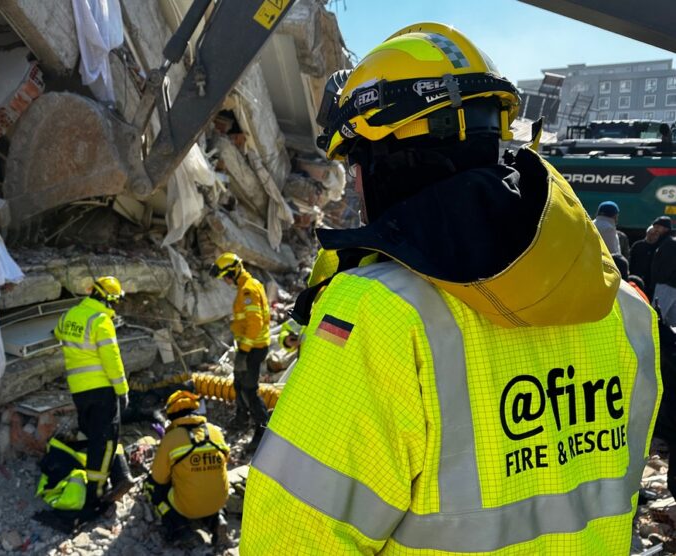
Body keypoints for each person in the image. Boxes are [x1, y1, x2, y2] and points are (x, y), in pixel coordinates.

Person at [243, 22, 660, 554]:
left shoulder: (377, 312)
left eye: (355, 164)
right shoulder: (627, 311)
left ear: (383, 161)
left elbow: (293, 537)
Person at [53, 276, 132, 521]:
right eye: (114, 303)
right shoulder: (101, 321)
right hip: (102, 391)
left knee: (95, 436)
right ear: (108, 299)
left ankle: (117, 476)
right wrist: (123, 390)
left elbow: (58, 334)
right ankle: (96, 495)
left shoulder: (69, 316)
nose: (114, 308)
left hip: (79, 391)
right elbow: (112, 359)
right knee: (105, 441)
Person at [145, 391, 230, 545]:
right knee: (206, 483)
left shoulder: (172, 438)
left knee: (152, 488)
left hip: (188, 506)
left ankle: (179, 527)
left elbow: (158, 478)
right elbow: (224, 462)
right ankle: (217, 520)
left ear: (172, 415)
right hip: (220, 501)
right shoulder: (215, 432)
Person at [210, 252, 270, 450]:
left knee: (249, 390)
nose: (226, 281)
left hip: (253, 348)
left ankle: (263, 430)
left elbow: (255, 324)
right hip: (248, 346)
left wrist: (243, 351)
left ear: (234, 272)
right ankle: (241, 420)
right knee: (238, 383)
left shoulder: (248, 290)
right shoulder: (247, 286)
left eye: (226, 277)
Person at [652, 219, 676, 324]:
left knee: (655, 318)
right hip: (671, 285)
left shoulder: (669, 243)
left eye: (658, 227)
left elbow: (668, 265)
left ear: (666, 228)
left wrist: (660, 280)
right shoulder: (668, 241)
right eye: (654, 227)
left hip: (666, 286)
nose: (655, 229)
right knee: (672, 321)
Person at [630, 223, 661, 294]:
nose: (652, 236)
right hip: (636, 278)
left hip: (650, 281)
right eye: (651, 233)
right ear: (647, 233)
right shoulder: (637, 245)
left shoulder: (659, 247)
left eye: (655, 234)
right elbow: (631, 260)